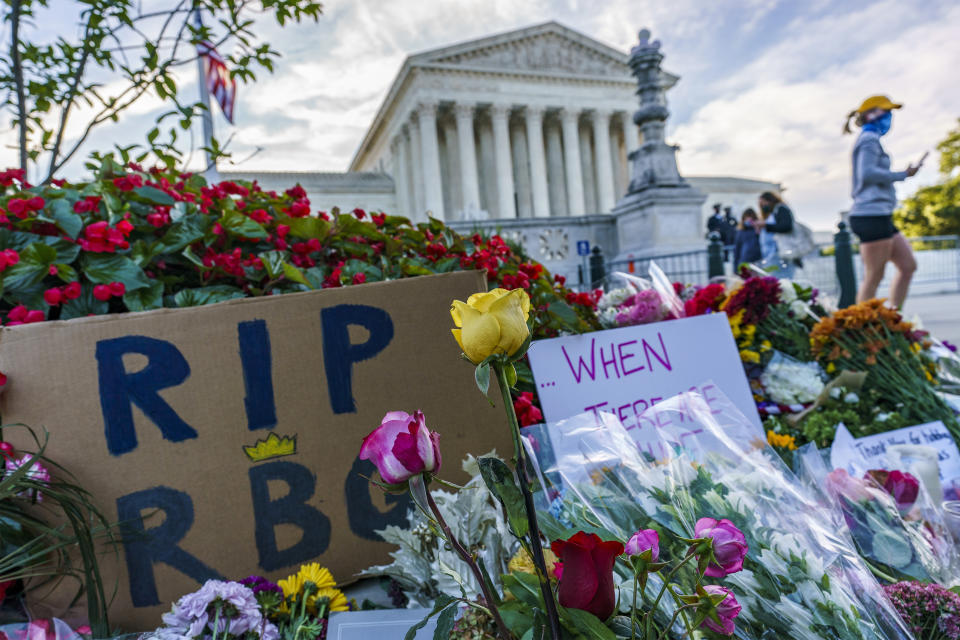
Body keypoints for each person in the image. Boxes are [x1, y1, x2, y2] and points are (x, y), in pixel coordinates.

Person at [843, 95, 924, 308]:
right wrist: (903, 174)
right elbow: (867, 173)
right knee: (873, 277)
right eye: (886, 111)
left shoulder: (870, 139)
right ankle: (860, 329)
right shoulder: (868, 139)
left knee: (907, 266)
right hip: (870, 215)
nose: (890, 116)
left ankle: (893, 318)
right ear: (871, 115)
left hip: (880, 215)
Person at [754, 191, 795, 278]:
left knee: (783, 280)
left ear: (770, 200)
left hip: (781, 253)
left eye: (763, 203)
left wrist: (766, 225)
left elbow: (786, 226)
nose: (762, 206)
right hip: (770, 255)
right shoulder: (770, 214)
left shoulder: (781, 209)